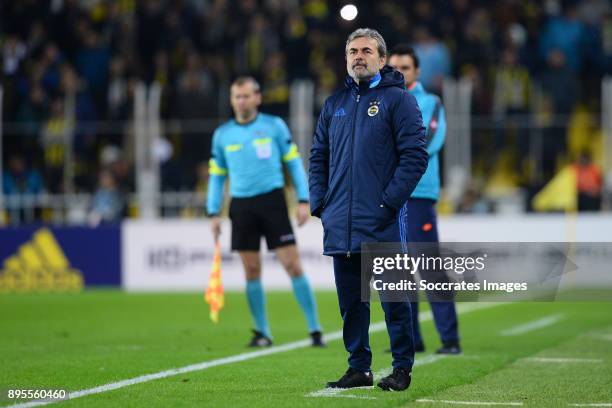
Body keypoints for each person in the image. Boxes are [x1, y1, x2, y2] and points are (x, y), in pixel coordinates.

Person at [309, 28, 428, 392]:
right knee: (352, 306)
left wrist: (388, 203)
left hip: (381, 221)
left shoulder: (398, 100)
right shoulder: (334, 104)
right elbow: (318, 157)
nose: (358, 56)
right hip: (340, 222)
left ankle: (402, 369)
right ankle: (359, 368)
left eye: (365, 51)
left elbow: (415, 157)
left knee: (394, 300)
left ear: (380, 58)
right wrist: (320, 204)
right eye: (352, 51)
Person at [207, 76, 324, 348]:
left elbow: (293, 163)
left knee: (293, 265)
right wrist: (213, 211)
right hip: (241, 206)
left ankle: (315, 328)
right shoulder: (223, 135)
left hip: (272, 202)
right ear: (231, 100)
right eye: (237, 96)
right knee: (251, 269)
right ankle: (262, 331)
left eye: (247, 96)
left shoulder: (273, 126)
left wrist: (304, 200)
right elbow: (216, 175)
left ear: (258, 98)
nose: (242, 101)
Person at [389, 45, 461, 354]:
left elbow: (429, 140)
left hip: (418, 194)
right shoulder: (381, 103)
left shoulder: (430, 102)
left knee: (429, 267)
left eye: (405, 67)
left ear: (417, 72)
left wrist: (390, 156)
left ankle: (450, 339)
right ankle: (411, 340)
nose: (399, 72)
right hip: (390, 197)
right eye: (393, 68)